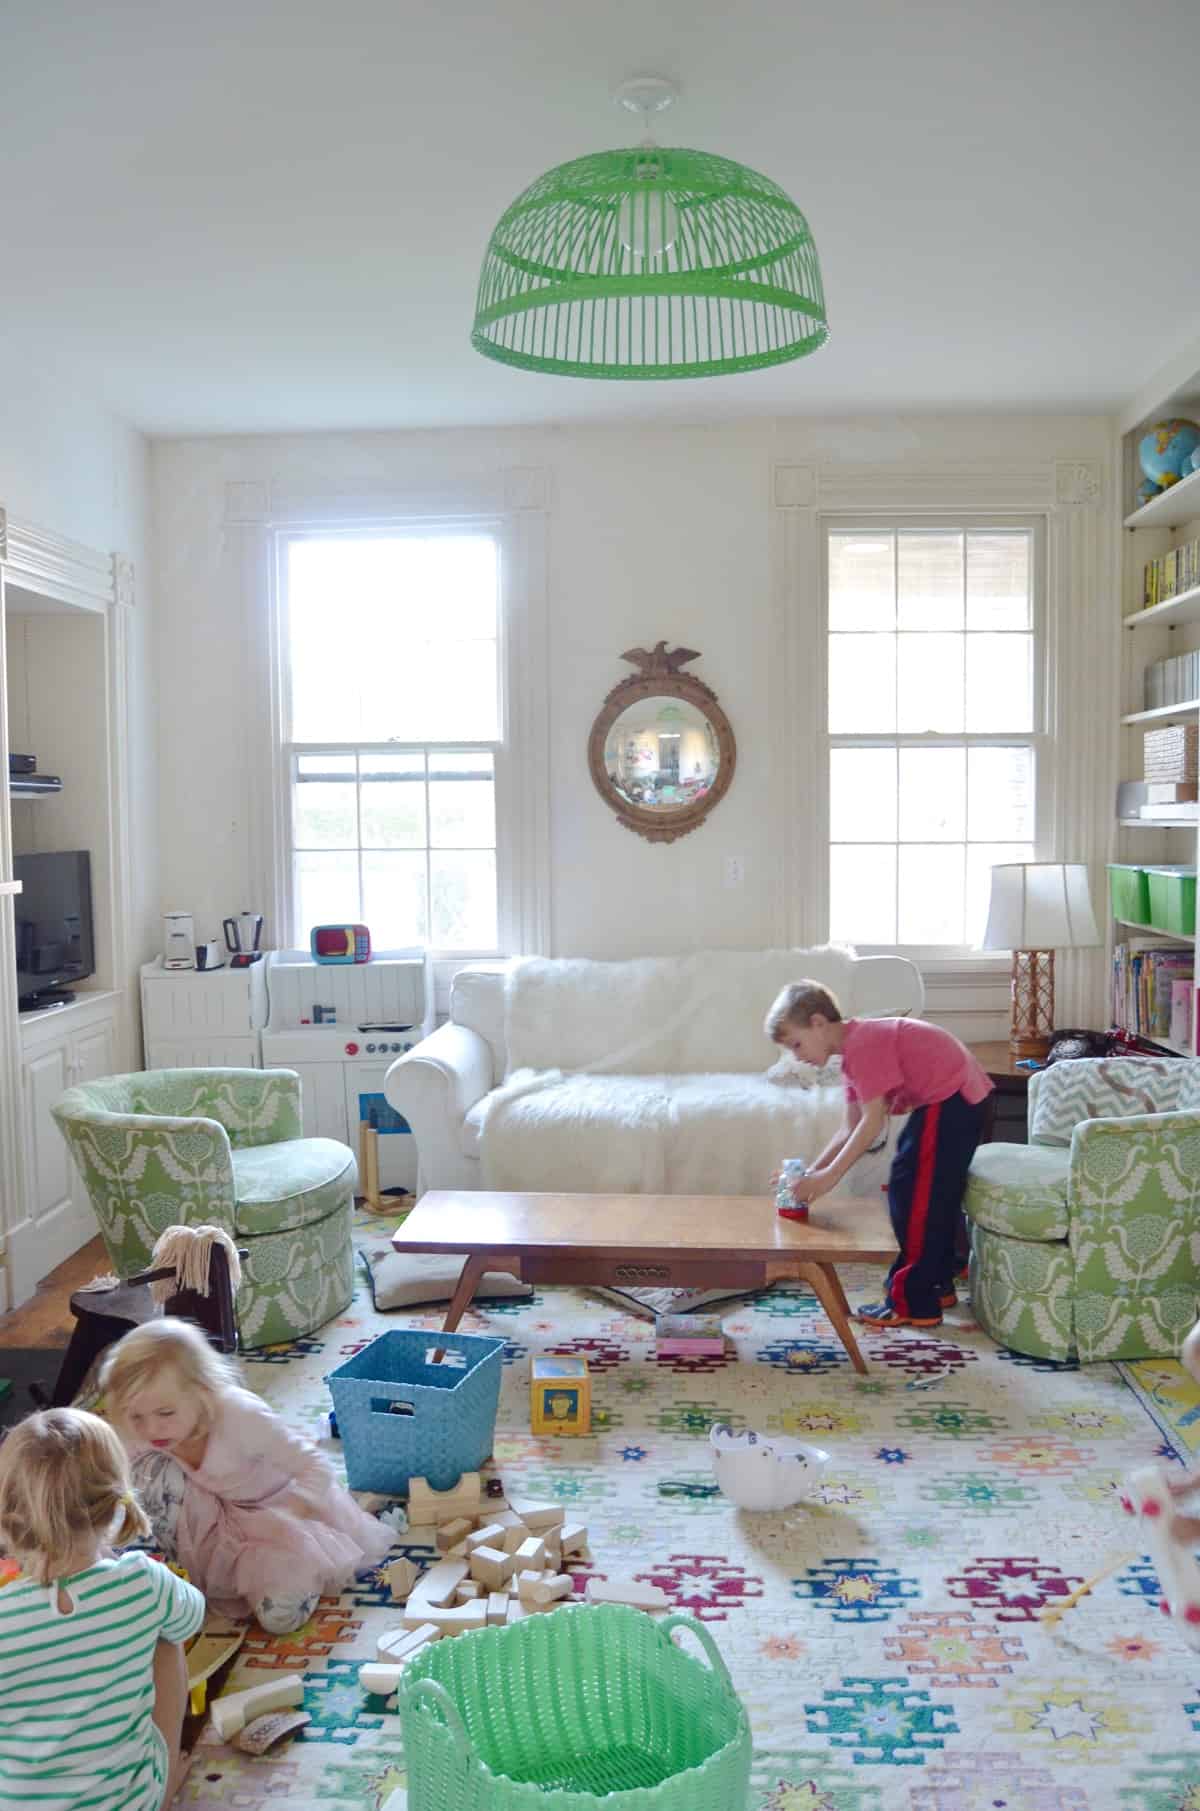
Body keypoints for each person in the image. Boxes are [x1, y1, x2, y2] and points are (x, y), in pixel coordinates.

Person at [100, 1320, 393, 1633]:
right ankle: (184, 1563)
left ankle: (309, 1578)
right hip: (218, 1509)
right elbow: (113, 1479)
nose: (151, 1429)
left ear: (203, 1393)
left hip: (282, 1510)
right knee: (147, 1473)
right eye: (136, 1417)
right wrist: (99, 1544)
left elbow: (315, 1467)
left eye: (166, 1414)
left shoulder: (240, 1416)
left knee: (279, 1618)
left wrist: (292, 1518)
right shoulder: (147, 1422)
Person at [0, 1406, 204, 1811]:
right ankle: (162, 1792)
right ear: (116, 1506)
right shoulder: (142, 1581)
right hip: (131, 1800)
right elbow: (192, 1614)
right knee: (167, 1637)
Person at [765, 980, 993, 1329]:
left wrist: (827, 1180)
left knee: (914, 1195)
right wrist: (810, 1173)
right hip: (950, 1098)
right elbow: (849, 1127)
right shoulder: (852, 1053)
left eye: (797, 1044)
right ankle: (938, 1279)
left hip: (952, 1098)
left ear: (819, 1023)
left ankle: (913, 1301)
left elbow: (872, 1124)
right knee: (924, 1191)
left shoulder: (863, 1046)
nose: (797, 1056)